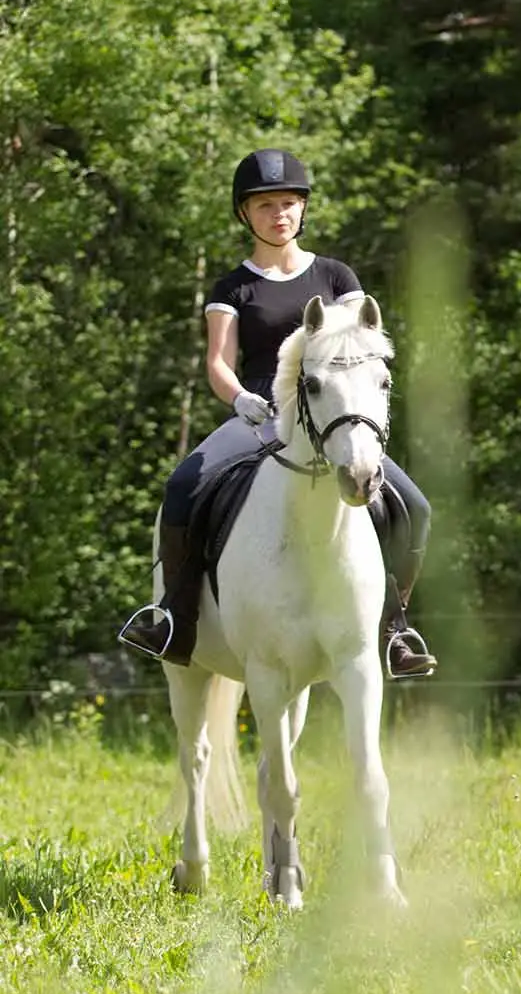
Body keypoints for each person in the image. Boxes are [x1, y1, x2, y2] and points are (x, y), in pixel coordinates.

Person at [117, 148, 439, 679]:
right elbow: (218, 363)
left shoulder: (336, 276)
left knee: (417, 508)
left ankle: (394, 629)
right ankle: (173, 617)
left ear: (303, 208)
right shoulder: (232, 287)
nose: (280, 214)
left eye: (289, 203)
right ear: (245, 213)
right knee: (182, 489)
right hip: (261, 411)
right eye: (266, 205)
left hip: (329, 415)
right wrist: (240, 397)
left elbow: (361, 348)